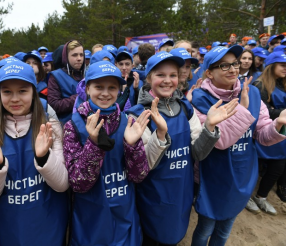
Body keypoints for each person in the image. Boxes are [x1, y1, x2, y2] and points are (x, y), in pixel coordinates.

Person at [128, 51, 234, 246]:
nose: (168, 81)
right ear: (149, 78)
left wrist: (209, 128)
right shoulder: (139, 115)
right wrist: (160, 135)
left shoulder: (185, 108)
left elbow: (197, 153)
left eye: (173, 75)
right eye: (160, 75)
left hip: (181, 194)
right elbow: (142, 169)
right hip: (153, 197)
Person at [191, 45, 286, 245]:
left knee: (225, 230)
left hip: (241, 174)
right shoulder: (199, 100)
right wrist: (242, 109)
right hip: (211, 178)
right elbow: (221, 141)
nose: (233, 69)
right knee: (205, 229)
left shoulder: (250, 93)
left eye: (234, 63)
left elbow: (262, 135)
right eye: (224, 66)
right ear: (209, 72)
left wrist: (277, 125)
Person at [0, 61, 69, 246]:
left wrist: (44, 157)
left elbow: (62, 184)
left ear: (34, 92)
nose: (14, 98)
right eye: (7, 92)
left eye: (22, 91)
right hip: (11, 228)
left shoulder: (51, 127)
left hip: (49, 225)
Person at [64, 61, 153, 245]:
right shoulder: (73, 126)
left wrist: (132, 145)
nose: (105, 93)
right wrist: (94, 145)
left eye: (112, 87)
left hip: (124, 217)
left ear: (119, 90)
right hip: (91, 220)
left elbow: (139, 176)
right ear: (87, 88)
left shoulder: (128, 122)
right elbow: (78, 183)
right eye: (98, 86)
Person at [245, 52, 286, 215]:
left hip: (280, 134)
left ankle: (261, 196)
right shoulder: (259, 85)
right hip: (264, 131)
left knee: (278, 167)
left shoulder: (283, 84)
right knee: (254, 167)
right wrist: (282, 112)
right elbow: (262, 112)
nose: (285, 69)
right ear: (272, 66)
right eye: (282, 65)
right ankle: (247, 196)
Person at [48, 40, 85, 124]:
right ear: (66, 57)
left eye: (81, 55)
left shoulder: (88, 74)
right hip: (67, 126)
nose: (79, 58)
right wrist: (79, 97)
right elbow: (54, 105)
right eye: (74, 55)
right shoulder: (56, 76)